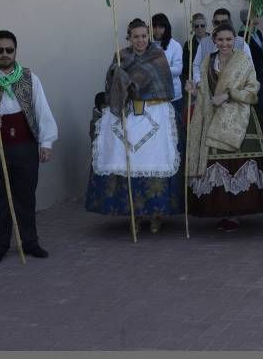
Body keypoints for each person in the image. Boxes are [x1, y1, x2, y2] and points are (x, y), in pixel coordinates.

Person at [86, 19, 181, 234]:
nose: (140, 40)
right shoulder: (121, 57)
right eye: (136, 36)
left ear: (149, 36)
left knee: (155, 161)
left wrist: (128, 80)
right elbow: (111, 85)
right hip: (128, 113)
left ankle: (156, 213)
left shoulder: (157, 56)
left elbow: (159, 81)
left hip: (154, 113)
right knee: (130, 163)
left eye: (144, 36)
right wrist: (116, 74)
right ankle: (135, 214)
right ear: (129, 37)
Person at [185, 23, 263, 231]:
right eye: (220, 40)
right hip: (215, 116)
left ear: (235, 40)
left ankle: (236, 212)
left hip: (241, 117)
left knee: (239, 161)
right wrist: (194, 90)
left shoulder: (243, 60)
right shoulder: (208, 61)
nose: (225, 43)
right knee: (218, 164)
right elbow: (206, 92)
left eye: (229, 40)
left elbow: (253, 89)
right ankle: (224, 209)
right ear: (214, 41)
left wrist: (229, 94)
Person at [0, 30, 57, 261]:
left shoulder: (29, 78)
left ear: (15, 51)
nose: (4, 54)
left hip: (25, 147)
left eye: (8, 50)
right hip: (0, 149)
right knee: (0, 199)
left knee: (25, 197)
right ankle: (0, 245)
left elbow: (42, 110)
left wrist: (46, 142)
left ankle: (30, 242)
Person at [192, 9, 252, 83]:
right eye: (217, 22)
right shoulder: (204, 43)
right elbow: (196, 65)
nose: (220, 25)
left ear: (230, 23)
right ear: (213, 23)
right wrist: (198, 81)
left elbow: (250, 67)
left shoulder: (241, 43)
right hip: (209, 90)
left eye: (224, 22)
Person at [151, 13, 184, 118]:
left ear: (166, 28)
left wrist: (159, 67)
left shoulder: (175, 45)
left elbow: (178, 70)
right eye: (154, 27)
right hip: (154, 95)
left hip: (172, 95)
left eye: (161, 27)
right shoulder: (148, 45)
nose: (157, 30)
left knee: (175, 126)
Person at [238, 8, 263, 115]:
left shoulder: (258, 33)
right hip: (253, 76)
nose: (258, 16)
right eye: (255, 14)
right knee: (256, 108)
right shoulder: (243, 35)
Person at [181, 13, 208, 92]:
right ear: (193, 28)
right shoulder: (189, 45)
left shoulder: (214, 41)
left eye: (202, 25)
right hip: (195, 83)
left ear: (206, 26)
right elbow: (186, 67)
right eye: (196, 26)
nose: (199, 28)